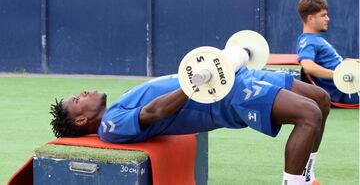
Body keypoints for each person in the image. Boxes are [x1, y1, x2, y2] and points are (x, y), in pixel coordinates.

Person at [50, 66, 330, 185]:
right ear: (81, 120)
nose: (84, 92)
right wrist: (194, 83)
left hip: (233, 76)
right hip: (224, 96)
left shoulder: (115, 108)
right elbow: (155, 111)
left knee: (321, 99)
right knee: (309, 115)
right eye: (77, 99)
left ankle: (307, 176)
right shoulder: (111, 125)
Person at [296, 0, 359, 104]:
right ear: (311, 18)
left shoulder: (314, 39)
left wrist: (348, 63)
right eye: (323, 15)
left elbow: (330, 63)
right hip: (347, 90)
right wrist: (340, 74)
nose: (327, 19)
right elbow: (308, 66)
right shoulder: (308, 41)